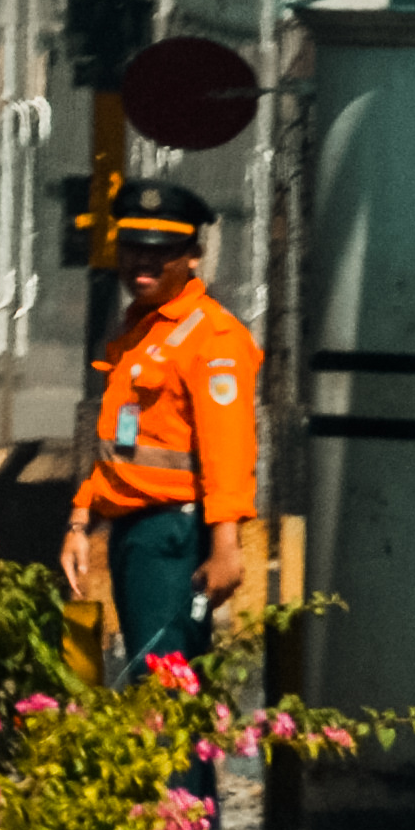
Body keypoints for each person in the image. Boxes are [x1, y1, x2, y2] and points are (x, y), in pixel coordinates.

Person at [61, 179, 262, 677]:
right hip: (134, 529)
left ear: (193, 255)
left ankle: (188, 761)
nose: (141, 263)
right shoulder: (143, 329)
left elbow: (227, 449)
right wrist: (81, 520)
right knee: (150, 680)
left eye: (161, 251)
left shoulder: (212, 337)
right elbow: (119, 444)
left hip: (175, 533)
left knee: (164, 687)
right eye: (132, 248)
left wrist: (225, 546)